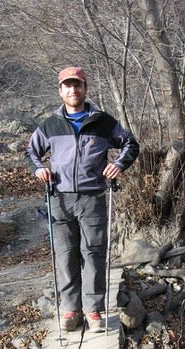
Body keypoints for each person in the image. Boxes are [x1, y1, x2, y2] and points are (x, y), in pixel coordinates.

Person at [25, 66, 139, 332]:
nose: (73, 90)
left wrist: (119, 165)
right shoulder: (50, 125)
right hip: (59, 199)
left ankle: (93, 311)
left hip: (93, 198)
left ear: (85, 89)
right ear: (61, 90)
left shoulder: (103, 122)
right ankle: (71, 310)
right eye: (68, 85)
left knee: (94, 254)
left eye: (78, 85)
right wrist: (39, 169)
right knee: (65, 255)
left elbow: (130, 144)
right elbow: (30, 153)